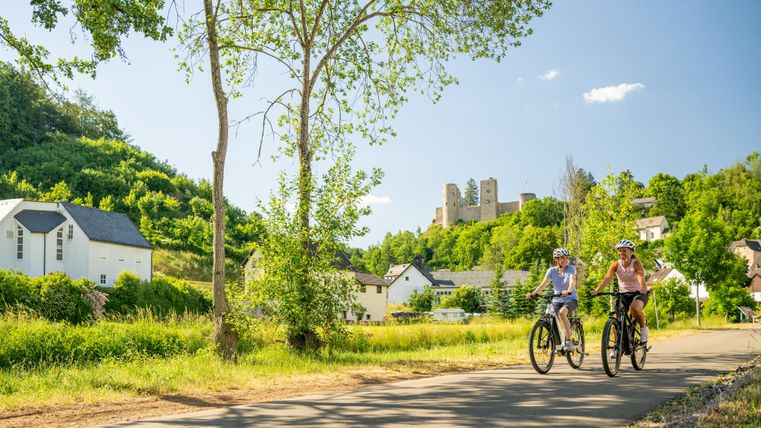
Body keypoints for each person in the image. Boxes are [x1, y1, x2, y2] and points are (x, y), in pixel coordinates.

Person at [591, 239, 650, 344]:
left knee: (635, 308)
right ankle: (617, 344)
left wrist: (643, 289)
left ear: (631, 252)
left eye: (624, 250)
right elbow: (607, 279)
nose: (621, 253)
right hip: (623, 294)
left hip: (638, 294)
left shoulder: (636, 264)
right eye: (620, 250)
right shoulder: (615, 265)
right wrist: (597, 290)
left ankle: (643, 329)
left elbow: (641, 277)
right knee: (617, 319)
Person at [526, 247, 578, 350]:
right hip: (557, 299)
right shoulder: (551, 271)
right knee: (551, 317)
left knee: (562, 313)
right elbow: (543, 284)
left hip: (570, 299)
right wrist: (534, 293)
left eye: (566, 258)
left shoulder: (571, 268)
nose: (565, 260)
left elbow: (572, 281)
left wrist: (568, 291)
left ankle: (568, 341)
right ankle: (558, 344)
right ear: (556, 260)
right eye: (562, 258)